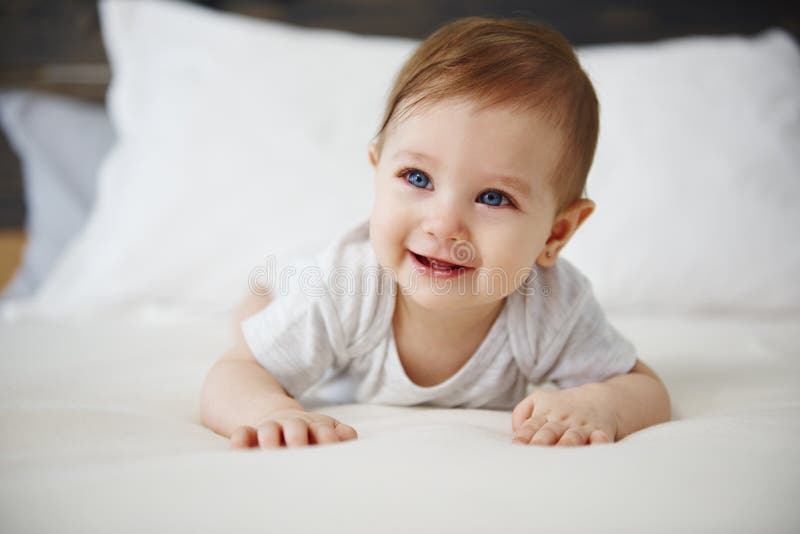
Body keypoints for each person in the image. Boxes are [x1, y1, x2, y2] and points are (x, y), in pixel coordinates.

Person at [200, 16, 671, 449]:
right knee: (260, 313)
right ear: (378, 171)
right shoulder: (347, 289)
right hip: (310, 281)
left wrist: (600, 404)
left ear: (556, 233)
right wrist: (273, 410)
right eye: (417, 178)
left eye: (493, 198)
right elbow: (236, 372)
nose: (443, 224)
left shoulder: (548, 306)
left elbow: (643, 388)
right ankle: (264, 296)